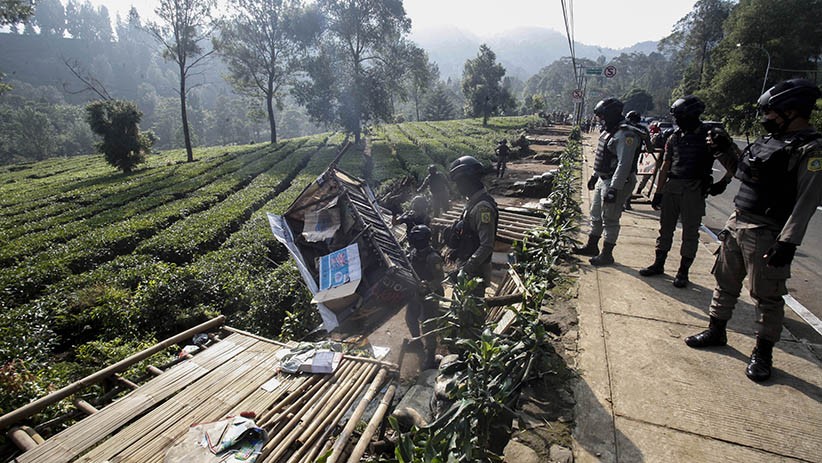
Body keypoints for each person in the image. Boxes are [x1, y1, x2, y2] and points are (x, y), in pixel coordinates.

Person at [684, 79, 822, 382]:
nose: (766, 118)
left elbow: (808, 200)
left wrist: (788, 242)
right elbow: (743, 173)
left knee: (767, 295)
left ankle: (763, 352)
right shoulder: (767, 141)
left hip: (768, 230)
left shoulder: (810, 149)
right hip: (737, 222)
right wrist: (724, 150)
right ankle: (716, 330)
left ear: (792, 111)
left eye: (771, 113)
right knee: (724, 281)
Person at [639, 95, 739, 288]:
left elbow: (735, 161)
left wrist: (723, 182)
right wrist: (658, 192)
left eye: (679, 116)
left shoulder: (710, 135)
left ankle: (683, 271)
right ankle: (659, 263)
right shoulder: (674, 137)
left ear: (691, 115)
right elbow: (666, 165)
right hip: (672, 186)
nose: (677, 120)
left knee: (690, 232)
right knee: (665, 229)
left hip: (694, 188)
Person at [573, 98, 643, 266]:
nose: (599, 119)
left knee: (610, 218)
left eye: (601, 116)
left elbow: (624, 164)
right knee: (595, 214)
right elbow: (605, 157)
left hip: (616, 181)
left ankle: (607, 254)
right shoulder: (611, 131)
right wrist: (595, 176)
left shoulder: (626, 134)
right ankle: (592, 246)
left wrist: (614, 188)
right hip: (604, 179)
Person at [445, 155, 498, 293]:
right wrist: (457, 251)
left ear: (469, 180)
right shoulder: (471, 204)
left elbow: (486, 245)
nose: (458, 187)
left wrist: (464, 269)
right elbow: (470, 235)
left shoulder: (482, 208)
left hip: (475, 274)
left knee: (470, 311)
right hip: (467, 268)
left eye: (459, 182)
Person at [405, 224, 444, 368]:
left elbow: (440, 278)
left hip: (431, 296)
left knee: (429, 326)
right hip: (416, 294)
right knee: (410, 318)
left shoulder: (433, 258)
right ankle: (416, 341)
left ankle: (431, 357)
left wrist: (428, 285)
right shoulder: (414, 253)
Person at [624, 110, 656, 210]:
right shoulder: (642, 130)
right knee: (631, 181)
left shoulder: (623, 127)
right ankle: (627, 202)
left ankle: (618, 201)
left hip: (619, 158)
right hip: (633, 160)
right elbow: (649, 147)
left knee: (618, 180)